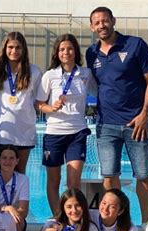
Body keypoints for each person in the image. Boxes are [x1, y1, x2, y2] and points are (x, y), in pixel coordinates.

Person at [86, 6, 148, 231]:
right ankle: (119, 222)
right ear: (92, 27)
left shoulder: (135, 45)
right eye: (97, 22)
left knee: (144, 175)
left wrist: (144, 114)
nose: (102, 25)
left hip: (135, 124)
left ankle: (147, 221)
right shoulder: (92, 53)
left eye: (105, 20)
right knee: (109, 176)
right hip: (106, 124)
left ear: (113, 21)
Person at [36, 34, 96, 215]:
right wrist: (51, 107)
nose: (66, 52)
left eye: (69, 48)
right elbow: (39, 103)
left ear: (75, 51)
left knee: (74, 182)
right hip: (54, 132)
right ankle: (57, 217)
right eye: (62, 49)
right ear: (57, 52)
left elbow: (101, 91)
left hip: (77, 132)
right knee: (54, 180)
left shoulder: (85, 74)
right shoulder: (50, 75)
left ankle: (73, 217)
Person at [0, 31, 42, 174]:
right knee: (2, 171)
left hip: (24, 131)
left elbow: (40, 100)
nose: (14, 51)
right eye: (10, 47)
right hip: (2, 131)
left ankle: (20, 197)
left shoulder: (34, 71)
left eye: (18, 47)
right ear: (5, 49)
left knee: (19, 171)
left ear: (24, 49)